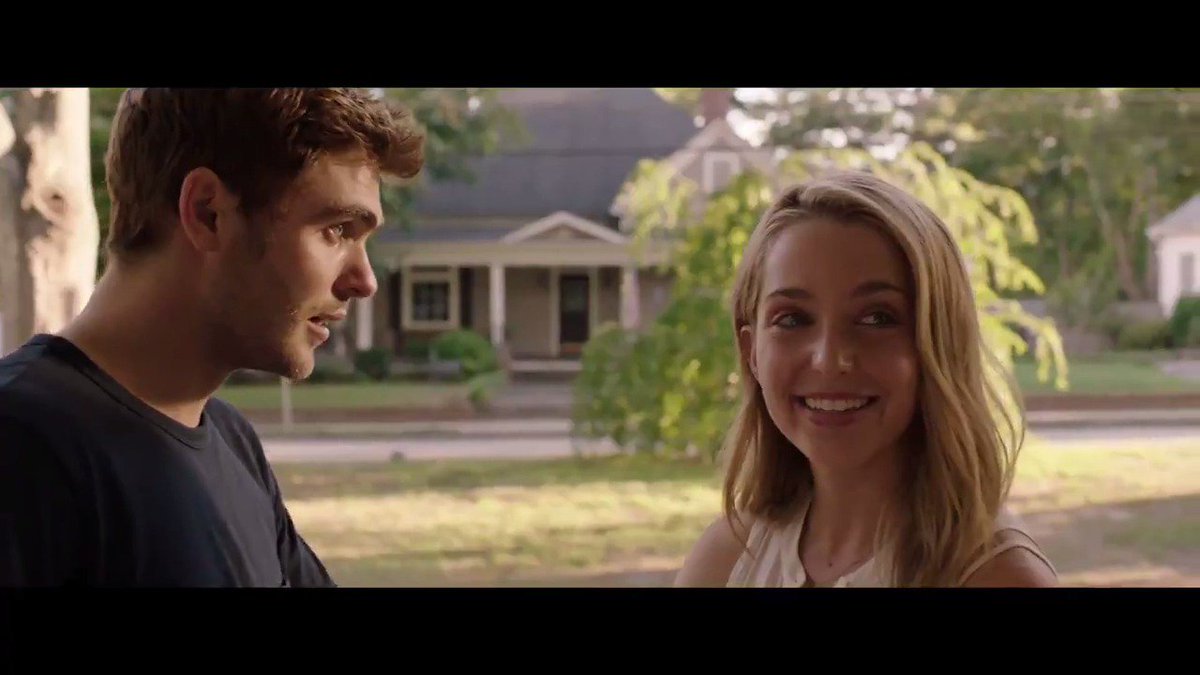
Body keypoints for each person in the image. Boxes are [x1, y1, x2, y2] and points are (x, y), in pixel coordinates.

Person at [0, 88, 424, 586]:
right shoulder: (22, 447)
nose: (364, 281)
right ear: (207, 213)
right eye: (337, 230)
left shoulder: (232, 441)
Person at [674, 171, 1058, 588]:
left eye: (877, 318)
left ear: (940, 344)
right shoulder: (727, 560)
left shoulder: (999, 576)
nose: (829, 360)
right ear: (752, 352)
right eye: (793, 319)